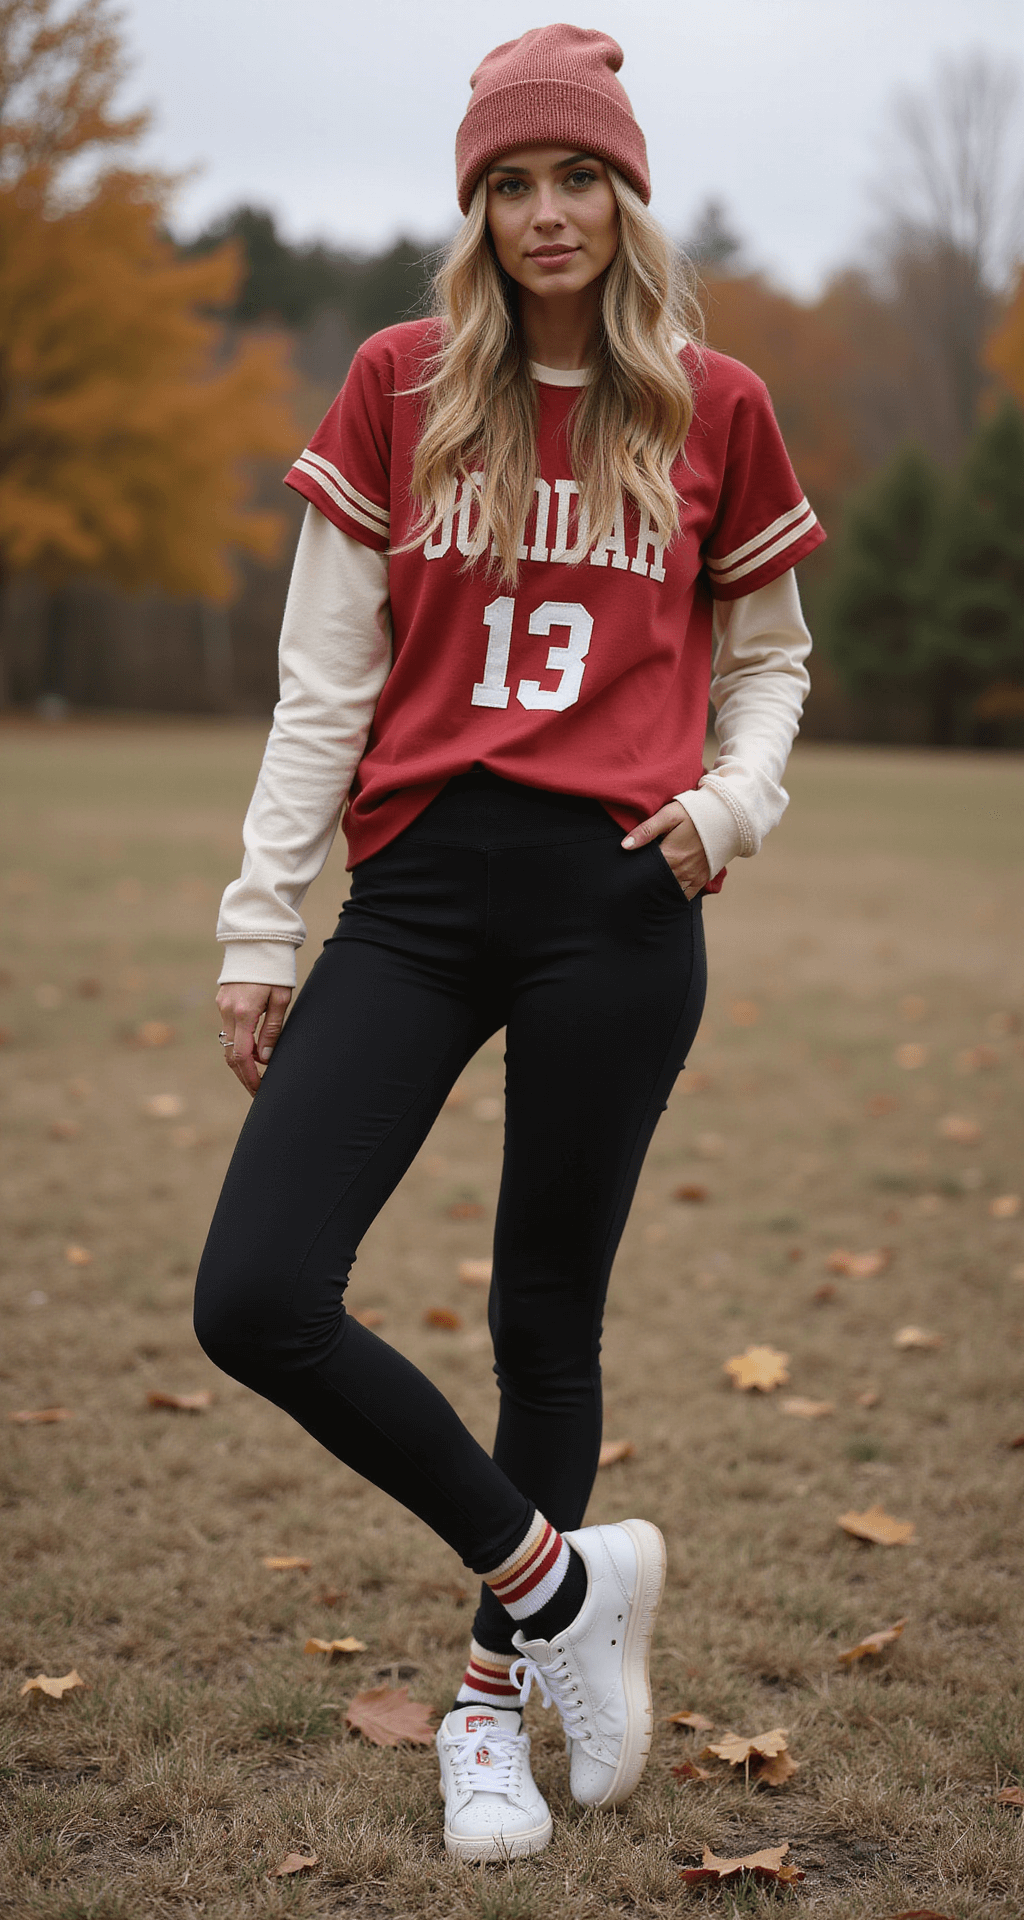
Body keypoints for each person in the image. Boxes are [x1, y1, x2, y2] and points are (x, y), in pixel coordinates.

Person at [194, 23, 824, 1865]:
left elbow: (773, 663)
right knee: (255, 1295)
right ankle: (562, 1594)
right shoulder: (400, 385)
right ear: (475, 210)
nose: (546, 213)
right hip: (419, 897)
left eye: (576, 179)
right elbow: (323, 688)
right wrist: (260, 924)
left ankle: (490, 1714)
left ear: (627, 195)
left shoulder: (718, 402)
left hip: (621, 904)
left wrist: (730, 808)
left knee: (545, 1317)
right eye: (510, 185)